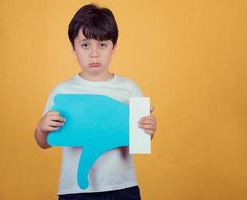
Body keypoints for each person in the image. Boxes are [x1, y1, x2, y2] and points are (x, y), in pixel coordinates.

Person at [34, 3, 157, 200]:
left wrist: (149, 129)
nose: (94, 53)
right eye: (85, 45)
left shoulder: (129, 88)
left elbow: (139, 141)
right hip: (74, 191)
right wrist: (42, 129)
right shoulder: (63, 91)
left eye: (102, 45)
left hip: (123, 187)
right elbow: (44, 142)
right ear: (73, 47)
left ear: (114, 47)